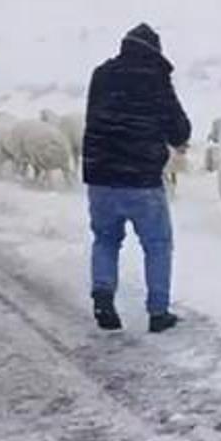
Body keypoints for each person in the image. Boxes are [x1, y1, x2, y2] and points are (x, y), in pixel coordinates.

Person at [83, 23, 191, 333]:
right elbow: (179, 130)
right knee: (157, 244)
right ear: (155, 51)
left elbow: (95, 118)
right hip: (141, 179)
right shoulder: (155, 79)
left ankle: (103, 295)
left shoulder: (101, 75)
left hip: (101, 175)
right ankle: (158, 312)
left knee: (105, 239)